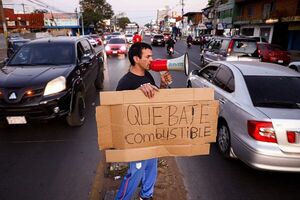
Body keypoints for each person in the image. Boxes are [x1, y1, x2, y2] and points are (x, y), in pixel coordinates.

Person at [115, 42, 172, 200]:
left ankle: (146, 195)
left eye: (151, 56)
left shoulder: (147, 75)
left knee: (151, 168)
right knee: (135, 172)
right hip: (135, 138)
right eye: (147, 57)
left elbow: (155, 99)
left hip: (150, 134)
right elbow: (117, 111)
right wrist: (136, 93)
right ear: (136, 58)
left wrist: (163, 85)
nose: (151, 60)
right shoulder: (125, 82)